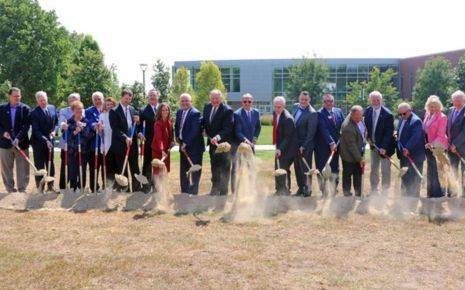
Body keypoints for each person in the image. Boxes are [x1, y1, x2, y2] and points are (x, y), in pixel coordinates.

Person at [202, 89, 234, 196]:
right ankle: (214, 189)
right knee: (214, 167)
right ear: (210, 98)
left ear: (221, 98)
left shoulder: (227, 110)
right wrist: (203, 129)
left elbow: (227, 128)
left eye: (217, 98)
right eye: (213, 98)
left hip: (224, 145)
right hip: (212, 145)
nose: (215, 100)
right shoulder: (207, 107)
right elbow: (206, 122)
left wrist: (217, 137)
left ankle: (223, 192)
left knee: (224, 168)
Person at [0, 87, 31, 193]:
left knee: (23, 167)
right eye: (15, 96)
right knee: (6, 168)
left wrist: (18, 138)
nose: (17, 98)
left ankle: (22, 188)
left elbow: (26, 126)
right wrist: (3, 133)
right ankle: (10, 189)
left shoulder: (25, 108)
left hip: (21, 143)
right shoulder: (1, 108)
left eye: (19, 95)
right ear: (9, 96)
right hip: (5, 143)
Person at [109, 89, 141, 192]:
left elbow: (133, 126)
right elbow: (115, 128)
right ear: (121, 97)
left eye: (129, 98)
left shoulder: (132, 109)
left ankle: (136, 189)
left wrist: (138, 122)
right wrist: (125, 138)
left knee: (135, 167)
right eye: (126, 98)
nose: (128, 100)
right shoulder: (114, 111)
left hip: (133, 144)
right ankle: (125, 189)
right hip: (120, 144)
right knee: (122, 167)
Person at [364, 91, 395, 196]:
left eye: (378, 100)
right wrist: (368, 138)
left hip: (385, 148)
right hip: (373, 146)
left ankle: (385, 192)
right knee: (373, 169)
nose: (375, 102)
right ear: (370, 100)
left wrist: (384, 147)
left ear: (381, 100)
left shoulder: (388, 114)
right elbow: (366, 127)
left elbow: (389, 132)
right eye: (373, 100)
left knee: (385, 170)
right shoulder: (367, 111)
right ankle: (374, 190)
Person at [314, 94, 345, 196]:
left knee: (335, 168)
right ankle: (324, 191)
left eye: (330, 101)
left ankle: (334, 190)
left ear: (334, 101)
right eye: (326, 101)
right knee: (322, 169)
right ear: (323, 102)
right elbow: (324, 130)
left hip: (336, 147)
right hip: (322, 147)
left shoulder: (338, 111)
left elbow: (343, 126)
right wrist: (331, 143)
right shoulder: (319, 113)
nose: (328, 103)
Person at [175, 93, 205, 195]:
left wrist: (186, 143)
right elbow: (177, 126)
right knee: (183, 170)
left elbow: (195, 130)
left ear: (191, 102)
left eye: (186, 101)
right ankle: (184, 191)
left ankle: (193, 192)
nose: (184, 103)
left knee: (195, 170)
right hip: (183, 146)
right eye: (182, 101)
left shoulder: (195, 113)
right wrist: (178, 139)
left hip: (194, 148)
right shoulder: (179, 112)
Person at [231, 93, 261, 193]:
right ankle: (235, 191)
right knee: (237, 168)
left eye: (249, 101)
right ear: (242, 102)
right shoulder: (237, 114)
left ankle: (251, 189)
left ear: (252, 102)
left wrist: (255, 138)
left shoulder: (256, 112)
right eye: (245, 101)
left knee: (251, 168)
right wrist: (246, 141)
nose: (247, 103)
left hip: (251, 146)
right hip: (239, 146)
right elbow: (237, 131)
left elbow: (258, 127)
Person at [30, 91, 58, 193]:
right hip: (38, 142)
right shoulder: (34, 113)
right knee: (40, 165)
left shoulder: (52, 108)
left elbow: (56, 123)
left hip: (50, 141)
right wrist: (45, 140)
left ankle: (51, 186)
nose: (43, 102)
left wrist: (55, 131)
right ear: (37, 100)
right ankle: (40, 187)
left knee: (51, 164)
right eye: (40, 100)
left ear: (47, 98)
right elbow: (36, 130)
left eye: (44, 100)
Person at [292, 91, 318, 197]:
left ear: (309, 100)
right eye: (301, 99)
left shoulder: (312, 113)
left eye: (305, 100)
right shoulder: (295, 107)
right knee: (297, 167)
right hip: (295, 145)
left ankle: (308, 190)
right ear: (299, 99)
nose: (303, 101)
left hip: (305, 146)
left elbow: (310, 134)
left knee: (306, 168)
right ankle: (300, 188)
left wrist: (303, 146)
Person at [62, 101, 92, 191]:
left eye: (80, 109)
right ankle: (73, 187)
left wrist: (81, 129)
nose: (79, 111)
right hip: (72, 150)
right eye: (77, 109)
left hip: (83, 150)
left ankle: (81, 187)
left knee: (82, 170)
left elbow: (89, 135)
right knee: (72, 170)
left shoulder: (86, 121)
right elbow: (65, 137)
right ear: (73, 110)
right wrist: (75, 132)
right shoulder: (69, 122)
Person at [396, 102, 425, 197]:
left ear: (410, 110)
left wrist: (407, 148)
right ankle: (404, 197)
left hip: (414, 155)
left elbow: (415, 137)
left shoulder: (416, 121)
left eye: (404, 113)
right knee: (405, 176)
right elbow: (401, 131)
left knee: (414, 178)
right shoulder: (402, 118)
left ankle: (413, 199)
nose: (401, 116)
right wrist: (397, 134)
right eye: (400, 114)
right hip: (403, 155)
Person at [423, 95, 448, 198]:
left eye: (436, 106)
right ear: (428, 106)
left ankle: (439, 193)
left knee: (438, 169)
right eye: (431, 106)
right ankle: (430, 192)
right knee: (430, 168)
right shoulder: (427, 114)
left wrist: (432, 144)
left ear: (439, 106)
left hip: (438, 146)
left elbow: (441, 134)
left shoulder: (442, 117)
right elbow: (425, 129)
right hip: (428, 146)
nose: (433, 108)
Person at [273, 96, 298, 195]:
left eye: (279, 107)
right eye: (275, 106)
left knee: (283, 170)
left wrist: (280, 149)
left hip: (287, 149)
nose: (277, 109)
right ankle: (279, 189)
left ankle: (285, 190)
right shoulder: (276, 114)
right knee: (277, 169)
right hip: (279, 147)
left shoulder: (288, 119)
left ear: (284, 106)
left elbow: (288, 137)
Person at [339, 106, 365, 197]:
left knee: (358, 174)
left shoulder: (359, 119)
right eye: (357, 118)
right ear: (351, 114)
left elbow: (363, 132)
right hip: (348, 155)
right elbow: (352, 146)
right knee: (348, 174)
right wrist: (360, 159)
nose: (359, 119)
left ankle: (358, 193)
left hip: (358, 152)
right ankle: (347, 194)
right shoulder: (348, 127)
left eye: (360, 117)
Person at [138, 89, 159, 193]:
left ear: (158, 96)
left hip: (160, 143)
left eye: (154, 95)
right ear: (148, 97)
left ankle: (157, 187)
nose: (152, 97)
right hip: (147, 142)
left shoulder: (163, 108)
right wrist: (140, 133)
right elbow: (139, 126)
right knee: (147, 165)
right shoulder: (143, 110)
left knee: (158, 165)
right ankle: (146, 187)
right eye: (150, 95)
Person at [58, 93, 80, 190]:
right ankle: (63, 187)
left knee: (77, 167)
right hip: (66, 145)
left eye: (74, 99)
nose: (72, 101)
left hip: (79, 145)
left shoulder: (82, 111)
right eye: (70, 99)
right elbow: (62, 121)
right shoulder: (64, 110)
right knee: (65, 166)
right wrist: (63, 125)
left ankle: (74, 187)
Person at [447, 90, 465, 197]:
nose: (456, 103)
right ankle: (452, 192)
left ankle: (463, 195)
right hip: (451, 148)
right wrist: (448, 142)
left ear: (463, 100)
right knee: (452, 170)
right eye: (454, 101)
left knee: (463, 172)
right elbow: (448, 127)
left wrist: (456, 144)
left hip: (462, 148)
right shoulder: (451, 110)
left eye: (458, 100)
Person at [85, 91, 104, 192]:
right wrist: (95, 126)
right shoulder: (89, 111)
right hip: (94, 145)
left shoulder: (106, 110)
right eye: (95, 99)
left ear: (102, 99)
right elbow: (90, 123)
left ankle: (106, 185)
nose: (97, 101)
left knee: (105, 166)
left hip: (106, 144)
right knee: (94, 167)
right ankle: (94, 187)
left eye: (99, 99)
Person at [151, 103, 174, 179]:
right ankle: (156, 189)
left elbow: (170, 135)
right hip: (158, 150)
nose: (165, 111)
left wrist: (172, 142)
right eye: (163, 110)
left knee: (164, 170)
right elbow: (159, 138)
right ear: (160, 111)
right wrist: (162, 150)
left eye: (166, 110)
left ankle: (163, 188)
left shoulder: (169, 122)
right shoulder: (157, 123)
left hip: (166, 150)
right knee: (157, 172)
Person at [99, 97, 117, 186]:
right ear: (105, 105)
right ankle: (105, 184)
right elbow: (99, 132)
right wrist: (100, 129)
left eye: (111, 104)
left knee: (115, 165)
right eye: (107, 105)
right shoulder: (102, 115)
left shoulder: (117, 114)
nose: (109, 106)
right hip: (105, 143)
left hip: (115, 143)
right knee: (106, 166)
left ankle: (115, 184)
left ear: (114, 105)